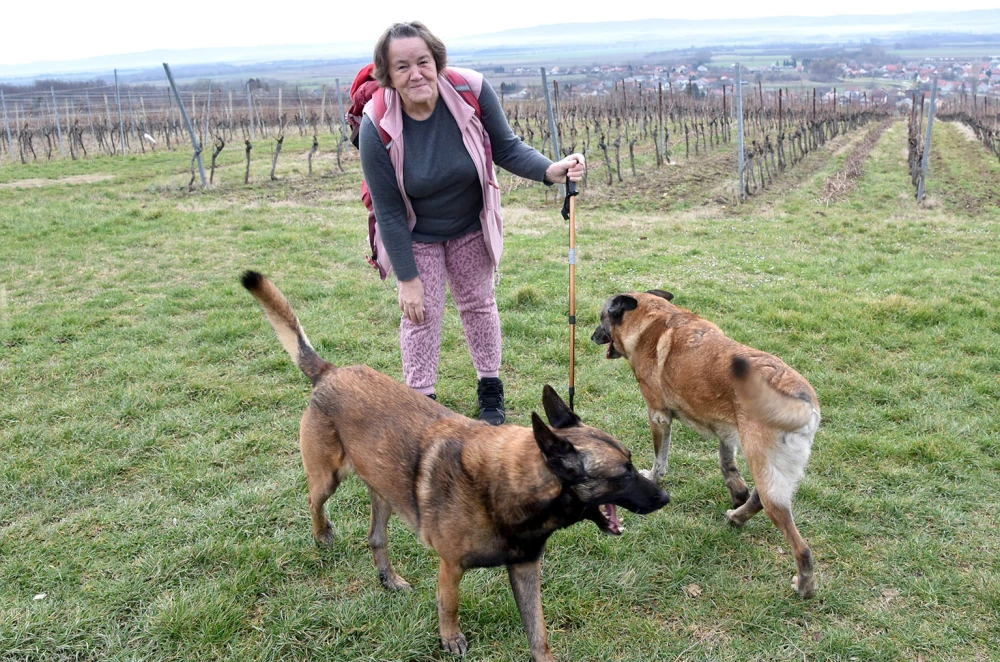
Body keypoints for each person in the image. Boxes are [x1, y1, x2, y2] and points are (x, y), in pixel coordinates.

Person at [359, 21, 585, 425]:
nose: (416, 74)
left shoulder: (470, 92)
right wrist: (407, 280)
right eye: (403, 67)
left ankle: (490, 393)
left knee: (479, 306)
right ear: (388, 75)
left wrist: (550, 170)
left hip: (469, 222)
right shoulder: (376, 124)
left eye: (423, 62)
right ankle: (421, 405)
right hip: (414, 232)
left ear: (437, 61)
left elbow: (507, 147)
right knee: (420, 316)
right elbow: (389, 210)